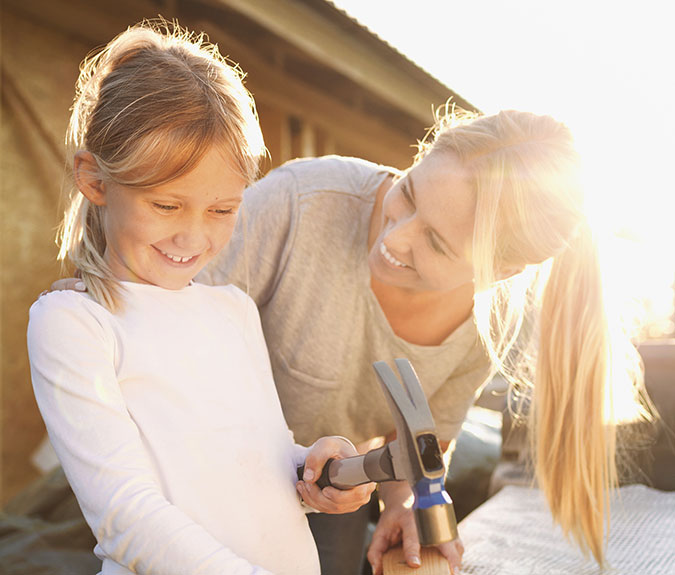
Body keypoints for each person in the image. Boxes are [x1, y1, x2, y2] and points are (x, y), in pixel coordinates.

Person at [194, 107, 651, 573]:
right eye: (408, 192)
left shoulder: (482, 325)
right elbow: (170, 336)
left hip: (327, 494)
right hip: (191, 454)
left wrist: (402, 502)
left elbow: (413, 445)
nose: (396, 236)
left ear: (498, 274)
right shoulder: (301, 204)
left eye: (435, 242)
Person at [27, 20, 373, 575]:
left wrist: (313, 475)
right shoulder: (75, 323)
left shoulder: (231, 310)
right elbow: (126, 516)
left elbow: (261, 468)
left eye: (222, 210)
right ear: (94, 181)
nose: (193, 238)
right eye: (166, 206)